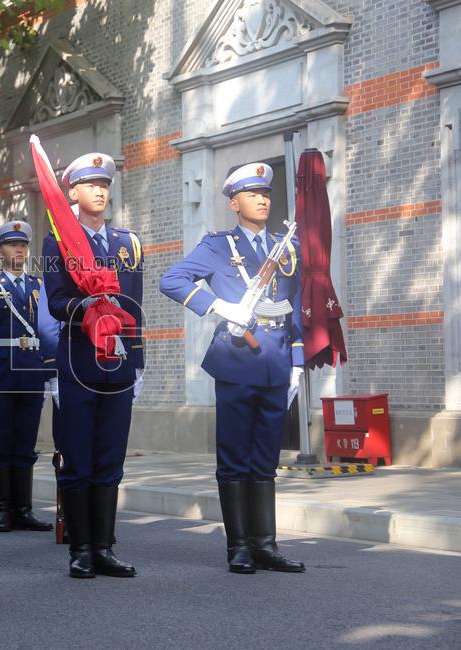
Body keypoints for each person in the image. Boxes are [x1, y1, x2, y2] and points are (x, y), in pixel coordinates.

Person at [160, 162, 306, 574]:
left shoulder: (286, 247)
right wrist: (218, 306)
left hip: (276, 357)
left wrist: (296, 362)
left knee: (265, 457)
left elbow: (296, 308)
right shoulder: (218, 246)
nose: (262, 199)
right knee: (235, 456)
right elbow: (172, 280)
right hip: (238, 357)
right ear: (233, 203)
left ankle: (266, 544)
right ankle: (238, 546)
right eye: (252, 194)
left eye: (265, 193)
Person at [41, 152, 143, 578]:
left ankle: (105, 546)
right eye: (90, 184)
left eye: (104, 183)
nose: (100, 190)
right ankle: (81, 549)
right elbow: (57, 302)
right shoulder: (58, 244)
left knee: (110, 457)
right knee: (78, 456)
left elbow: (136, 305)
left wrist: (138, 362)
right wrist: (93, 306)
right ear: (73, 192)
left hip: (117, 362)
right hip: (79, 360)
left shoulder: (127, 244)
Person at [0, 221, 54, 533]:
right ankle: (3, 508)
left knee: (26, 445)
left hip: (32, 373)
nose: (19, 249)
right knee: (4, 444)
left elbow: (47, 334)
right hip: (4, 374)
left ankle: (24, 509)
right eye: (11, 244)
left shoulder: (39, 287)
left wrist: (51, 374)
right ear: (0, 250)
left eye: (23, 244)